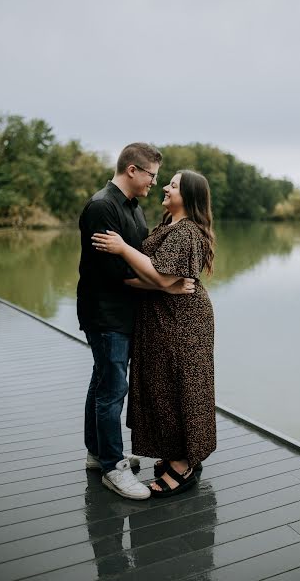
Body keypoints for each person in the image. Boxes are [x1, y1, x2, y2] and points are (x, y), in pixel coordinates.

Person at [77, 143, 195, 501]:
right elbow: (116, 274)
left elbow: (139, 259)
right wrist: (167, 285)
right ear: (132, 170)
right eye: (151, 175)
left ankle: (98, 454)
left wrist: (160, 280)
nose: (154, 183)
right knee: (113, 389)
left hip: (125, 313)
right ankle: (114, 467)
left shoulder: (133, 208)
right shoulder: (102, 207)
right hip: (106, 312)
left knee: (103, 382)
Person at [93, 169, 216, 497]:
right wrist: (130, 280)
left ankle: (183, 462)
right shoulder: (169, 225)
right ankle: (174, 452)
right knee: (162, 385)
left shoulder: (187, 231)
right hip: (164, 317)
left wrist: (121, 248)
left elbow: (162, 276)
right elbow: (158, 278)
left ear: (187, 196)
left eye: (173, 185)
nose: (164, 187)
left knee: (179, 386)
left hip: (183, 321)